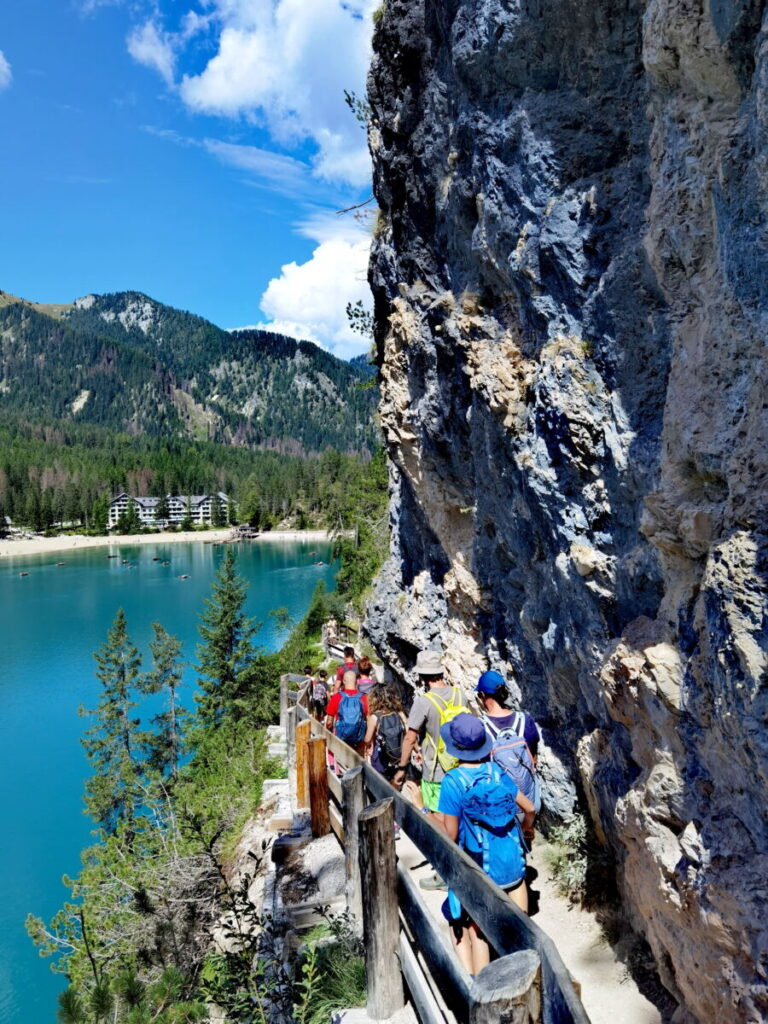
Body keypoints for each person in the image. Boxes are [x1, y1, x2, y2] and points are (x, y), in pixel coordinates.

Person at [403, 713, 535, 976]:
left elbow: (450, 834)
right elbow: (529, 807)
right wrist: (526, 828)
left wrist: (422, 807)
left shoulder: (453, 781)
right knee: (521, 931)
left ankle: (477, 990)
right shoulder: (496, 771)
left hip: (479, 869)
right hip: (512, 867)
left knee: (473, 931)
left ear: (455, 747)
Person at [391, 649, 467, 889]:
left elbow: (409, 738)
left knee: (440, 823)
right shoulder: (459, 695)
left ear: (423, 675)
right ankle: (462, 865)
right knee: (458, 819)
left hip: (435, 771)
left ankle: (445, 874)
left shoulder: (424, 702)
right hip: (461, 765)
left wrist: (402, 767)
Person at [476, 670, 542, 822]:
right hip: (529, 800)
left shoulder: (481, 726)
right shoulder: (525, 719)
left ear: (483, 696)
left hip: (500, 805)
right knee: (527, 835)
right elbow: (534, 758)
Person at [364, 684, 407, 780]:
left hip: (381, 758)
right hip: (399, 756)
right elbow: (407, 732)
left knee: (381, 783)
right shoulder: (399, 713)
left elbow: (367, 739)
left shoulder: (375, 717)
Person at [325, 669, 368, 753]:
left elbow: (329, 722)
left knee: (342, 763)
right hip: (359, 740)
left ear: (344, 681)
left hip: (341, 739)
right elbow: (369, 719)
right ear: (356, 681)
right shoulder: (364, 697)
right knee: (358, 764)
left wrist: (329, 736)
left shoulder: (336, 697)